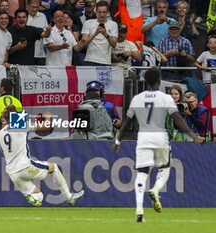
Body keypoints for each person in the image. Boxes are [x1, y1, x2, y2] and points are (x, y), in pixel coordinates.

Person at [112, 67, 205, 223]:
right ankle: (155, 189)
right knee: (164, 168)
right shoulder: (165, 98)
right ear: (159, 81)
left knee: (141, 173)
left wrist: (117, 141)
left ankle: (139, 210)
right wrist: (194, 137)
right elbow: (178, 119)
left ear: (146, 81)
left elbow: (127, 123)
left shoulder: (137, 98)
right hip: (160, 137)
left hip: (143, 138)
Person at [0, 104, 85, 206]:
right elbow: (45, 127)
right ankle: (69, 198)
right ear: (15, 114)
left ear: (5, 117)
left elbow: (2, 150)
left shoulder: (1, 133)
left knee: (39, 196)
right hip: (24, 166)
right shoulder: (21, 124)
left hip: (12, 172)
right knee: (54, 168)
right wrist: (48, 117)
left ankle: (33, 197)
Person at [80, 1, 118, 66]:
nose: (102, 15)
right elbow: (84, 43)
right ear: (96, 11)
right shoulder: (88, 23)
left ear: (107, 12)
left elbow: (114, 45)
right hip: (90, 59)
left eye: (104, 12)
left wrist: (106, 35)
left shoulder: (113, 24)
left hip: (105, 61)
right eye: (100, 12)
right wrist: (95, 34)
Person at [26, 0, 48, 65]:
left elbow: (45, 33)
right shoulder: (23, 16)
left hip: (40, 54)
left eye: (37, 7)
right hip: (26, 54)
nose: (35, 9)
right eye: (33, 7)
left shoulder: (43, 16)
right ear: (27, 5)